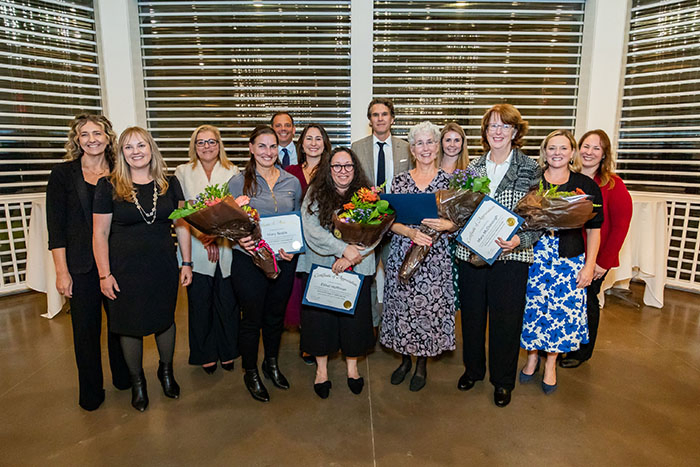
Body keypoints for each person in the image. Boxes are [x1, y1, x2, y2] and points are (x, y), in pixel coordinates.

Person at [93, 127, 192, 412]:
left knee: (165, 320)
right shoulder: (107, 186)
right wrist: (104, 274)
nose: (136, 151)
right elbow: (99, 234)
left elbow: (182, 224)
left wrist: (186, 262)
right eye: (128, 147)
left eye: (141, 145)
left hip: (162, 266)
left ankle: (166, 372)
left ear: (152, 149)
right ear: (121, 153)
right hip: (124, 270)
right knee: (128, 326)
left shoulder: (170, 184)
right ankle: (138, 382)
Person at [455, 104, 541, 408]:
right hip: (471, 255)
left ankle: (503, 381)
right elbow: (460, 211)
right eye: (492, 126)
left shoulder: (530, 168)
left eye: (504, 126)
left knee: (506, 320)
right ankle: (473, 370)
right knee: (473, 317)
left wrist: (520, 239)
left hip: (511, 257)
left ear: (515, 132)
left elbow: (538, 216)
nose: (498, 132)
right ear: (485, 132)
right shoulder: (472, 168)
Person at [46, 114, 130, 411]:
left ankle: (124, 378)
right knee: (85, 332)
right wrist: (61, 272)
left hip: (117, 264)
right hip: (80, 266)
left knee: (121, 327)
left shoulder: (122, 172)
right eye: (85, 134)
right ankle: (91, 392)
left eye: (98, 133)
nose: (92, 139)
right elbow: (55, 228)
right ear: (77, 140)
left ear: (109, 138)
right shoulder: (62, 175)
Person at [519, 129, 603, 395]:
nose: (557, 153)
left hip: (568, 256)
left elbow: (594, 229)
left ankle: (552, 363)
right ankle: (532, 356)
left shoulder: (585, 186)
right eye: (551, 148)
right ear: (544, 152)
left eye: (563, 148)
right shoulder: (533, 183)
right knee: (532, 308)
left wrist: (590, 265)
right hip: (534, 255)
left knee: (560, 312)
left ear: (572, 153)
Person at [379, 121, 457, 392]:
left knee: (428, 310)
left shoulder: (451, 182)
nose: (425, 148)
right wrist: (410, 234)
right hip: (403, 252)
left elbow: (462, 220)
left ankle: (422, 364)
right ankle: (404, 360)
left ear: (438, 147)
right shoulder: (398, 181)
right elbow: (387, 221)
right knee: (403, 309)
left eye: (430, 142)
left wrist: (449, 226)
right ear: (412, 149)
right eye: (419, 143)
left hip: (435, 258)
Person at [228, 125, 302, 402]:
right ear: (251, 148)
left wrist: (295, 247)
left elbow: (298, 220)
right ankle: (250, 371)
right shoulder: (237, 182)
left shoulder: (291, 182)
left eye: (273, 146)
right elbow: (228, 223)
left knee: (275, 317)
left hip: (283, 261)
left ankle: (271, 363)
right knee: (252, 319)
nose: (268, 152)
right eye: (261, 146)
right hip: (248, 261)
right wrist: (239, 241)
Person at [298, 147, 376, 398]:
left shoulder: (368, 196)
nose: (343, 171)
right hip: (322, 265)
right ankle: (321, 371)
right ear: (328, 170)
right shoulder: (315, 193)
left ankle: (352, 369)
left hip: (358, 266)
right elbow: (310, 229)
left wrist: (352, 257)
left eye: (348, 166)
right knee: (321, 321)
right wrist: (342, 250)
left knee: (354, 321)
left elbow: (377, 232)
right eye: (337, 166)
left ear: (355, 169)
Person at [560, 129, 632, 369]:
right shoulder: (571, 179)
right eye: (586, 146)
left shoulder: (613, 185)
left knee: (588, 302)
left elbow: (621, 226)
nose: (589, 152)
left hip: (595, 257)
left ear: (604, 154)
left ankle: (583, 352)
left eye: (596, 148)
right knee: (570, 303)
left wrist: (603, 262)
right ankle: (566, 344)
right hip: (569, 254)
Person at [175, 125, 239, 375]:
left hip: (226, 245)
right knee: (200, 303)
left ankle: (228, 350)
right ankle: (205, 353)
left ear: (219, 144)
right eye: (200, 142)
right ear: (194, 146)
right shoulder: (182, 172)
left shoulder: (232, 170)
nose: (206, 147)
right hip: (195, 245)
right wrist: (203, 235)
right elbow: (181, 211)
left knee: (228, 302)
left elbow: (236, 210)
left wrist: (215, 234)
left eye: (211, 142)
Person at [351, 98, 411, 328]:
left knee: (396, 275)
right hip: (368, 224)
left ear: (392, 119)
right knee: (367, 276)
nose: (380, 118)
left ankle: (393, 325)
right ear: (370, 120)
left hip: (397, 223)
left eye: (384, 114)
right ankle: (371, 325)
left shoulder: (405, 147)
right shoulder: (357, 147)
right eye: (375, 115)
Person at [283, 123, 332, 363]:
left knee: (321, 291)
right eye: (309, 138)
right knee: (300, 292)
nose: (313, 143)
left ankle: (323, 341)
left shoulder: (333, 170)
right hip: (296, 242)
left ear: (325, 144)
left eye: (318, 139)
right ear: (301, 143)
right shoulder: (289, 171)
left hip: (324, 242)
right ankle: (308, 341)